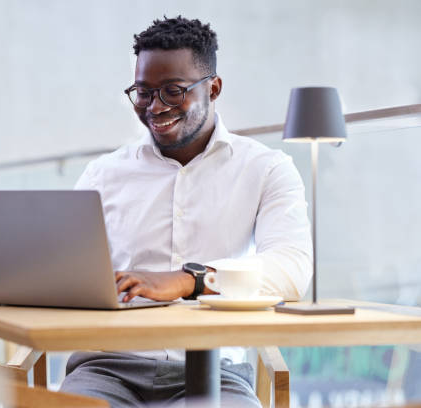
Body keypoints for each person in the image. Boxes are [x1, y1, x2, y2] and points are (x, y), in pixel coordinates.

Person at [59, 16, 312, 407]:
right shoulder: (104, 174)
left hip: (218, 373)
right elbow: (66, 271)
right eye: (143, 92)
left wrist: (190, 280)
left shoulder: (266, 169)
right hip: (107, 367)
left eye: (173, 92)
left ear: (214, 88)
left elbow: (292, 268)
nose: (155, 107)